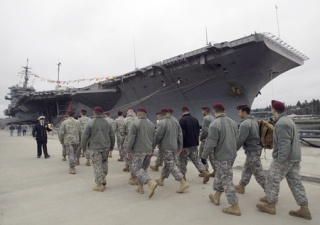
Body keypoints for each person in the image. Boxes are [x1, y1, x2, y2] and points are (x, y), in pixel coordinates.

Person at [256, 100, 312, 220]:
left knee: (272, 179)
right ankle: (304, 209)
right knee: (295, 183)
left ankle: (271, 205)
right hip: (295, 157)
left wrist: (280, 162)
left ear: (274, 110)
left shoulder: (281, 124)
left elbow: (284, 144)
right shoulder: (289, 121)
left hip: (284, 158)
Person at [201, 103, 241, 216]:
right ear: (224, 110)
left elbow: (210, 143)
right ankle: (216, 196)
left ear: (214, 111)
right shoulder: (233, 122)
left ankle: (235, 206)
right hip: (232, 155)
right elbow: (236, 139)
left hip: (222, 156)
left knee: (226, 180)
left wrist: (204, 157)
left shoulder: (214, 124)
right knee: (220, 175)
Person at [155, 108, 189, 194]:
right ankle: (161, 179)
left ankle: (182, 182)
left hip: (166, 147)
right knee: (168, 164)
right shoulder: (175, 122)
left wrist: (154, 144)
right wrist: (180, 145)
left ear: (162, 114)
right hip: (174, 147)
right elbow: (180, 134)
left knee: (170, 164)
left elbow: (158, 136)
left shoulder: (162, 123)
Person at [81, 106, 115, 192]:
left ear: (94, 113)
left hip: (95, 147)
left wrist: (83, 147)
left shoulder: (90, 123)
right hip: (106, 147)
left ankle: (99, 185)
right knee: (104, 162)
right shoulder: (108, 123)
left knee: (97, 165)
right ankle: (103, 177)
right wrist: (111, 146)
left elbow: (85, 136)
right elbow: (112, 135)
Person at [126, 107, 158, 198]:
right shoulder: (151, 124)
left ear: (138, 114)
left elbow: (131, 139)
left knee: (136, 169)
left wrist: (128, 150)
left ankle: (150, 183)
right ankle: (140, 187)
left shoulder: (135, 124)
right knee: (143, 169)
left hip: (138, 150)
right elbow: (154, 139)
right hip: (149, 150)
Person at [234, 104, 266, 194]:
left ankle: (270, 192)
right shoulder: (254, 121)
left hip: (252, 150)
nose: (238, 114)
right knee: (247, 169)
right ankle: (241, 186)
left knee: (259, 173)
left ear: (244, 112)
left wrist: (234, 150)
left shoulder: (244, 124)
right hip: (256, 148)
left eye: (239, 112)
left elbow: (240, 139)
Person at [178, 106, 210, 183]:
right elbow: (198, 131)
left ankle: (183, 177)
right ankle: (204, 172)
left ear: (182, 111)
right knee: (196, 159)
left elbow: (182, 134)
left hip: (186, 144)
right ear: (188, 111)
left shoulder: (181, 121)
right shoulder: (195, 119)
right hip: (194, 143)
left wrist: (180, 145)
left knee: (182, 160)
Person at [58, 110, 82, 174]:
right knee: (74, 154)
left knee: (70, 154)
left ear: (68, 114)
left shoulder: (64, 122)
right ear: (73, 114)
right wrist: (80, 140)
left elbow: (61, 133)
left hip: (68, 141)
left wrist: (61, 140)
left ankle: (72, 168)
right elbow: (81, 132)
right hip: (76, 141)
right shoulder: (78, 122)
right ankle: (73, 165)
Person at [199, 106, 216, 177]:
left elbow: (204, 130)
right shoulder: (213, 117)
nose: (201, 112)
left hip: (205, 140)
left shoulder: (205, 118)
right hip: (212, 140)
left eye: (202, 111)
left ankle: (205, 171)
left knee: (202, 155)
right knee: (212, 156)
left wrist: (201, 138)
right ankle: (216, 170)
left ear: (205, 111)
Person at [122, 108, 137, 172]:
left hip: (128, 139)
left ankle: (127, 165)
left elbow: (122, 132)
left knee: (127, 152)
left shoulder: (125, 120)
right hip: (137, 139)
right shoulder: (138, 119)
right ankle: (135, 165)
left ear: (128, 113)